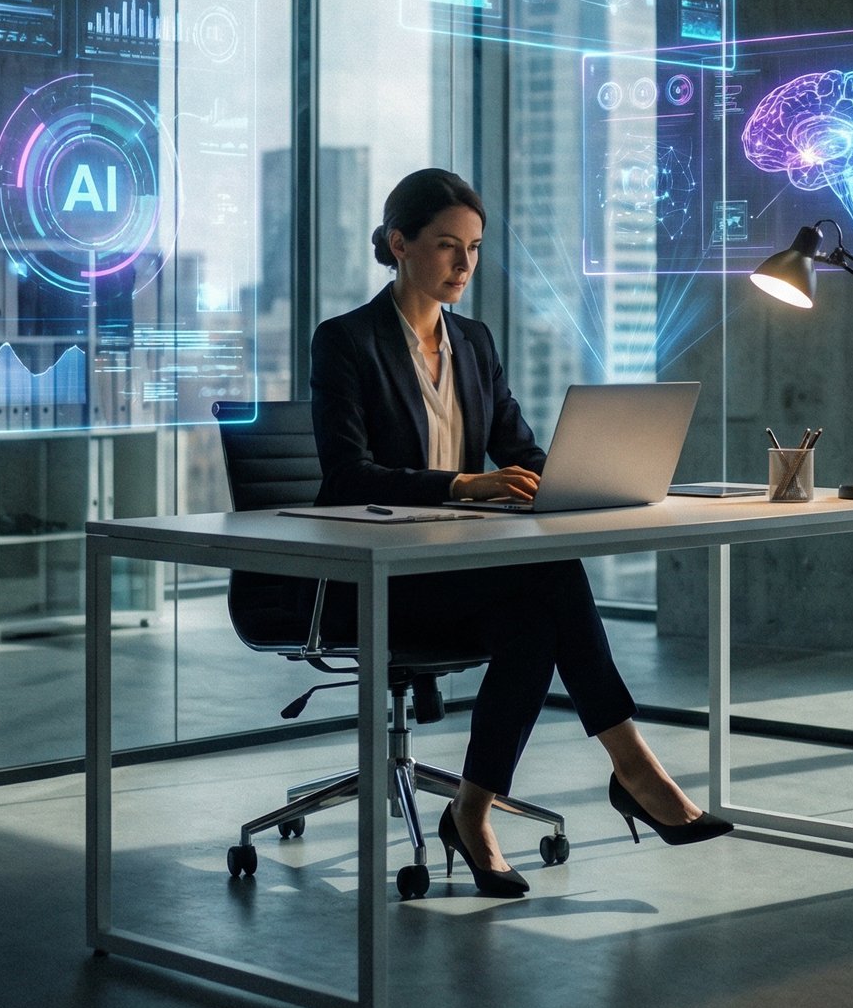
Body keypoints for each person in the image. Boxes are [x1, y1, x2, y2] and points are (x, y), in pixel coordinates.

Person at [309, 167, 731, 897]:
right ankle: (632, 769)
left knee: (538, 616)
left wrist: (581, 476)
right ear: (399, 244)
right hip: (376, 578)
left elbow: (521, 449)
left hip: (454, 570)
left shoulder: (473, 342)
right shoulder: (346, 342)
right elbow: (347, 476)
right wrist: (461, 484)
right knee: (551, 583)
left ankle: (472, 814)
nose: (465, 266)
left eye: (473, 248)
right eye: (447, 246)